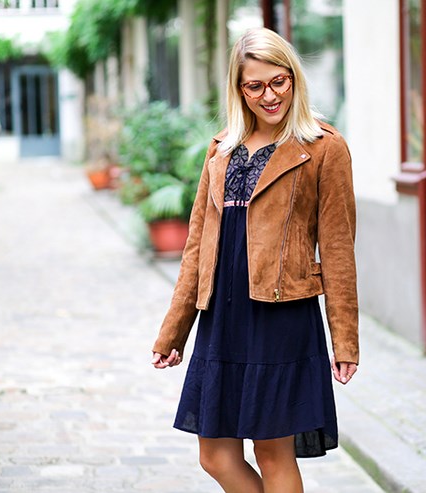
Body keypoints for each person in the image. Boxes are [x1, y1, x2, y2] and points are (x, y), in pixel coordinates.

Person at [151, 27, 359, 493]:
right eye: (255, 86)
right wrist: (174, 330)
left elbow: (339, 250)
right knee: (215, 455)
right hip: (221, 317)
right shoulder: (221, 150)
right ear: (239, 89)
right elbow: (197, 247)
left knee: (271, 451)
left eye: (279, 81)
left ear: (294, 78)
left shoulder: (323, 147)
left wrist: (345, 340)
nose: (270, 96)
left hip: (280, 317)